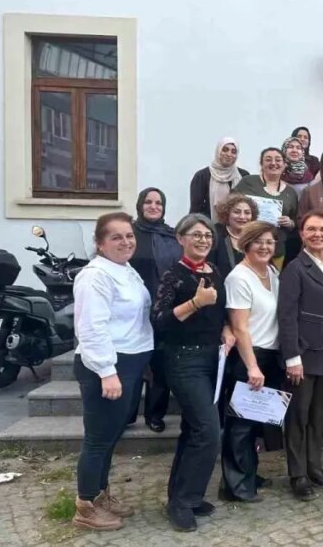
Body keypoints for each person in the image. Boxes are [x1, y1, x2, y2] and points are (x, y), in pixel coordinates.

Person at [71, 212, 154, 532]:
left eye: (129, 236)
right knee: (98, 438)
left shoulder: (125, 270)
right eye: (116, 237)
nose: (125, 242)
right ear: (100, 243)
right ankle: (85, 505)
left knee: (111, 435)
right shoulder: (95, 276)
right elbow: (91, 328)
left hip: (129, 363)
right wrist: (107, 371)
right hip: (106, 366)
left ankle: (99, 494)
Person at [151, 214, 232, 532]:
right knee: (208, 432)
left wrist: (227, 329)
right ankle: (181, 503)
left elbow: (220, 313)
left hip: (213, 359)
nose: (203, 240)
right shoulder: (174, 274)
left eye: (207, 235)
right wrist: (195, 303)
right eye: (196, 234)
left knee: (193, 430)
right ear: (180, 238)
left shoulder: (215, 271)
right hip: (184, 360)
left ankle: (185, 495)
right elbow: (159, 320)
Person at [278, 213, 323, 501]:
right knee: (298, 417)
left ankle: (314, 467)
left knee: (318, 416)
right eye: (311, 229)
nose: (318, 234)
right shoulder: (295, 268)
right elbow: (287, 315)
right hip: (304, 356)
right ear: (302, 234)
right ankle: (298, 475)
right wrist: (292, 356)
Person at [221, 221, 283, 503]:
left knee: (255, 422)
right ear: (246, 244)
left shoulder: (271, 272)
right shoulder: (239, 277)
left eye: (269, 242)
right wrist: (252, 366)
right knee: (240, 425)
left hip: (270, 355)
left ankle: (248, 474)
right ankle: (235, 486)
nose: (265, 247)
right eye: (259, 241)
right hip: (250, 356)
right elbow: (240, 327)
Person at [129, 187, 181, 433]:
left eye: (158, 203)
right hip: (134, 310)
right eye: (148, 202)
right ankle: (126, 414)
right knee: (133, 364)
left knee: (160, 365)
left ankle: (155, 414)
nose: (153, 206)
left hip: (163, 308)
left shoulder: (171, 235)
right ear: (140, 205)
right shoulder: (129, 234)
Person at [233, 148, 299, 267]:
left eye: (278, 160)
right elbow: (230, 206)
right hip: (247, 246)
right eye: (268, 159)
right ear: (261, 164)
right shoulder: (248, 182)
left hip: (276, 250)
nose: (273, 163)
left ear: (284, 164)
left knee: (272, 279)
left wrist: (290, 223)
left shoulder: (291, 192)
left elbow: (295, 220)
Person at [189, 138, 249, 218]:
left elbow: (249, 205)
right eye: (225, 150)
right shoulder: (202, 176)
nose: (229, 154)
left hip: (239, 222)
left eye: (233, 152)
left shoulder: (244, 176)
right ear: (218, 151)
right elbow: (195, 210)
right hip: (210, 224)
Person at [209, 193, 258, 278]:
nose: (242, 217)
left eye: (247, 213)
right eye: (237, 212)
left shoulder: (256, 237)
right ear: (227, 214)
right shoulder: (215, 235)